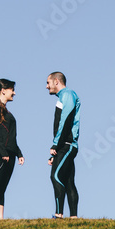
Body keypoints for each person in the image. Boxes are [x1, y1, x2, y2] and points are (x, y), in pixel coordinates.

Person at [0, 78, 24, 219]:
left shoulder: (7, 112)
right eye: (12, 89)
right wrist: (3, 152)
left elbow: (12, 136)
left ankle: (0, 218)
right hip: (0, 153)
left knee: (2, 186)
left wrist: (19, 153)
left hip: (10, 154)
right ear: (3, 90)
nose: (14, 92)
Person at [47, 71, 80, 218]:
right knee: (68, 181)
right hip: (65, 145)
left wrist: (55, 145)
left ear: (56, 81)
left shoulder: (67, 94)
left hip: (66, 145)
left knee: (55, 176)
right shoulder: (63, 96)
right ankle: (74, 218)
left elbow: (65, 121)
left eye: (48, 83)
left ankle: (59, 215)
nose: (47, 86)